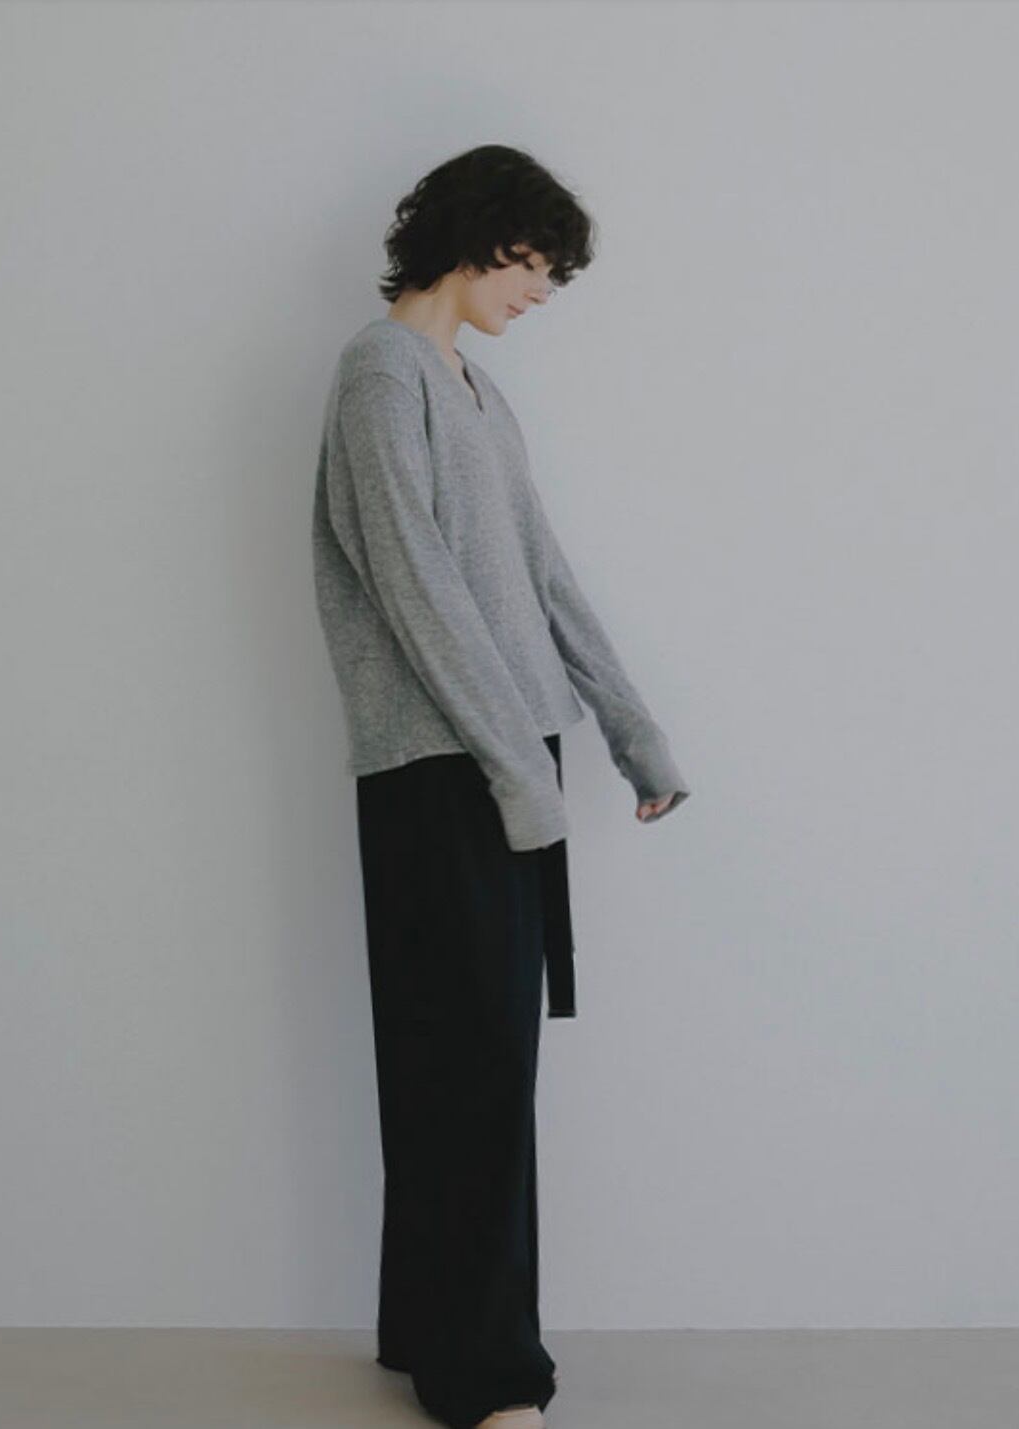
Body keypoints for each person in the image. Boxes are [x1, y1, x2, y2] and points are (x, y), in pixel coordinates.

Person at [312, 144, 692, 1429]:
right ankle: (486, 1381)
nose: (542, 291)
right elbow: (417, 594)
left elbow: (542, 575)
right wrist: (514, 771)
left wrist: (633, 735)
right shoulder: (382, 375)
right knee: (465, 1071)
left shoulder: (476, 389)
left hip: (504, 759)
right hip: (441, 767)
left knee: (474, 1065)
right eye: (535, 264)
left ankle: (434, 1338)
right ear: (477, 236)